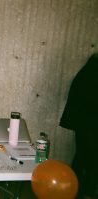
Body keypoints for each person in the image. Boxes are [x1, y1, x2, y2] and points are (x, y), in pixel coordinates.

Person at [60, 53, 98, 199]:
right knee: (90, 159)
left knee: (83, 156)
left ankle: (74, 189)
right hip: (90, 124)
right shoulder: (92, 73)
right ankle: (85, 191)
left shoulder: (88, 71)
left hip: (84, 123)